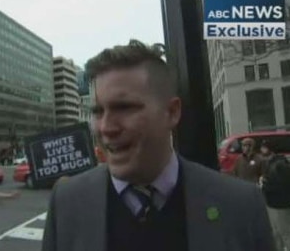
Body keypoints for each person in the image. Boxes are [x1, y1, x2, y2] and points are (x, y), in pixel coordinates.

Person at [42, 40, 275, 251]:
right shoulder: (66, 202)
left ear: (171, 113)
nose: (106, 127)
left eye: (124, 107)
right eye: (98, 111)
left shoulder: (241, 205)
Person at [260, 140, 290, 251]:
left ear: (270, 149)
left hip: (280, 205)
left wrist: (265, 185)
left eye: (263, 148)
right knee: (276, 233)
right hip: (272, 204)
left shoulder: (280, 164)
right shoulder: (272, 162)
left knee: (285, 233)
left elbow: (282, 185)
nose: (261, 150)